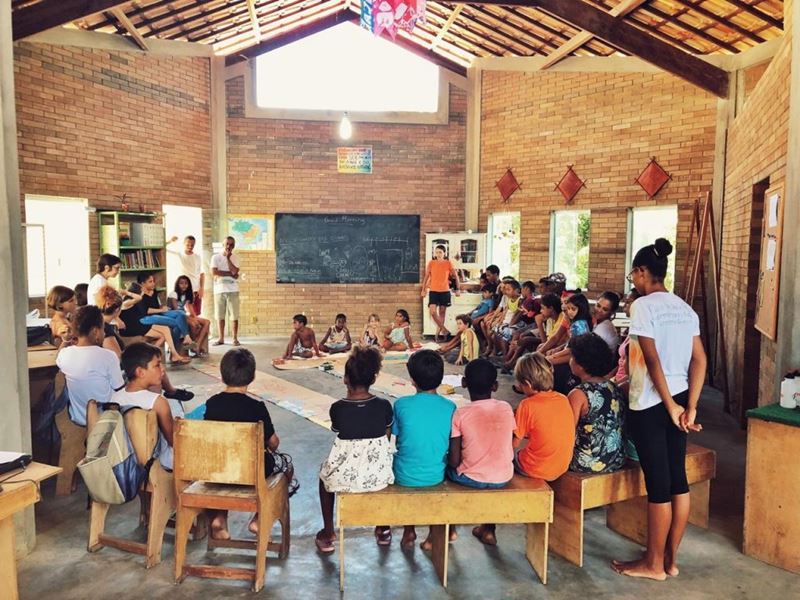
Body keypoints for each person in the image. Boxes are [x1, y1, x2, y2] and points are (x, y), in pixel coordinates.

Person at [611, 238, 706, 581]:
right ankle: (670, 559)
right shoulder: (684, 307)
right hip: (681, 397)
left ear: (641, 272)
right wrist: (689, 407)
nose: (632, 281)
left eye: (632, 274)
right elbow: (700, 359)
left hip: (652, 403)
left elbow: (651, 361)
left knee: (658, 484)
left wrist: (669, 406)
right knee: (678, 480)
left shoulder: (643, 307)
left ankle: (652, 565)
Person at [475, 352, 573, 546]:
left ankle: (488, 528)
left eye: (519, 384)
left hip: (535, 467)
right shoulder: (562, 398)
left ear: (527, 384)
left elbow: (512, 444)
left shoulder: (527, 405)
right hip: (562, 464)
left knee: (497, 468)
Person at [205, 348, 296, 539]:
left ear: (222, 376)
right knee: (287, 467)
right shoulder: (256, 407)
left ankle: (220, 517)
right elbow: (273, 443)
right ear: (252, 377)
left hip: (218, 470)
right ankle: (258, 519)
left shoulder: (212, 403)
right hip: (252, 472)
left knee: (226, 461)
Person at [316, 346, 394, 554]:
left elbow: (340, 430)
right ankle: (383, 528)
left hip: (345, 479)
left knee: (324, 480)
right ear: (374, 379)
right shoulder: (384, 406)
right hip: (378, 476)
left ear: (344, 379)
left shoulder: (338, 408)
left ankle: (328, 532)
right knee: (385, 463)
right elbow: (386, 436)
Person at [391, 350, 456, 550]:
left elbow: (399, 440)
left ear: (412, 380)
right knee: (442, 459)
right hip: (436, 474)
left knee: (402, 457)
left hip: (403, 474)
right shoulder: (450, 407)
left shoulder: (401, 405)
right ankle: (434, 534)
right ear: (441, 378)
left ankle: (408, 530)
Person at [96, 285, 193, 402]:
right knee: (154, 368)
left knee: (154, 361)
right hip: (118, 374)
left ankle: (170, 390)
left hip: (113, 369)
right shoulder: (105, 329)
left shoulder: (102, 323)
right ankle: (158, 402)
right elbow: (119, 359)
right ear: (117, 310)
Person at [112, 343, 184, 471]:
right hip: (159, 463)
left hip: (128, 463)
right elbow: (174, 441)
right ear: (140, 372)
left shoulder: (114, 399)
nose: (162, 369)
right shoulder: (157, 402)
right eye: (157, 365)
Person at [448, 358, 515, 492]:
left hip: (470, 479)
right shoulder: (506, 408)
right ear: (495, 386)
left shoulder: (460, 413)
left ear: (464, 383)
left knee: (444, 467)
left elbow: (454, 461)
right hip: (503, 477)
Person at [56, 305, 125, 426]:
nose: (104, 333)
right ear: (95, 331)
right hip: (104, 420)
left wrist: (65, 341)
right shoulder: (108, 356)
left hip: (78, 418)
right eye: (103, 329)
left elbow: (58, 356)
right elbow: (119, 388)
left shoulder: (65, 354)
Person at [567, 333, 626, 474]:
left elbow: (568, 432)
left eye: (572, 357)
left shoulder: (578, 394)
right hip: (615, 459)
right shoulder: (614, 387)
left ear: (581, 365)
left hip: (586, 463)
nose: (570, 360)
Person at [118, 282, 191, 364]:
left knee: (164, 333)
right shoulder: (126, 303)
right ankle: (173, 355)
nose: (143, 292)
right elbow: (139, 298)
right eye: (141, 290)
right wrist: (127, 292)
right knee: (165, 330)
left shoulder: (133, 301)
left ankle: (152, 355)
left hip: (138, 324)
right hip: (132, 327)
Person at [133, 273, 194, 361]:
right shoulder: (139, 294)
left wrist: (163, 308)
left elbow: (158, 306)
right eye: (150, 282)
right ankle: (175, 353)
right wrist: (161, 310)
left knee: (180, 313)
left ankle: (186, 337)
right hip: (148, 317)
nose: (153, 283)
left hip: (159, 313)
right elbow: (146, 311)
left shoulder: (154, 292)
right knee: (177, 323)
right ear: (143, 283)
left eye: (153, 281)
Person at [421, 244, 461, 341]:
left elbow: (456, 276)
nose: (438, 254)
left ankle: (437, 335)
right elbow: (426, 277)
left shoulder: (448, 263)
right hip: (433, 291)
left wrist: (458, 289)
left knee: (442, 313)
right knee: (433, 312)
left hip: (445, 291)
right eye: (437, 252)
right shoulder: (431, 263)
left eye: (440, 252)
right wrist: (423, 289)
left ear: (444, 253)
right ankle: (444, 330)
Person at [168, 275, 210, 356]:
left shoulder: (187, 294)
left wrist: (194, 317)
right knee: (193, 324)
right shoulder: (174, 293)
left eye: (186, 283)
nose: (184, 285)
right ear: (177, 284)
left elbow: (190, 307)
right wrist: (192, 320)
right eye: (181, 283)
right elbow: (176, 310)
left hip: (183, 314)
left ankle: (197, 345)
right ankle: (193, 345)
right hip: (175, 315)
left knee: (207, 322)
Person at [211, 236, 240, 346]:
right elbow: (214, 272)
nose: (229, 246)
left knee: (234, 315)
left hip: (233, 290)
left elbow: (235, 271)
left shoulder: (236, 258)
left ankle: (234, 338)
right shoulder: (215, 257)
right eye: (227, 244)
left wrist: (228, 259)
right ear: (223, 244)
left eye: (231, 244)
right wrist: (230, 274)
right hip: (219, 290)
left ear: (234, 246)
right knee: (220, 315)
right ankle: (221, 338)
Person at [167, 234, 205, 316]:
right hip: (185, 290)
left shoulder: (197, 257)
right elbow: (164, 248)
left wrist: (202, 288)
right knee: (187, 314)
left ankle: (196, 328)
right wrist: (170, 241)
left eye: (192, 245)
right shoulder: (179, 255)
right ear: (184, 244)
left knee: (197, 314)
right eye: (188, 244)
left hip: (196, 290)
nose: (190, 246)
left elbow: (201, 273)